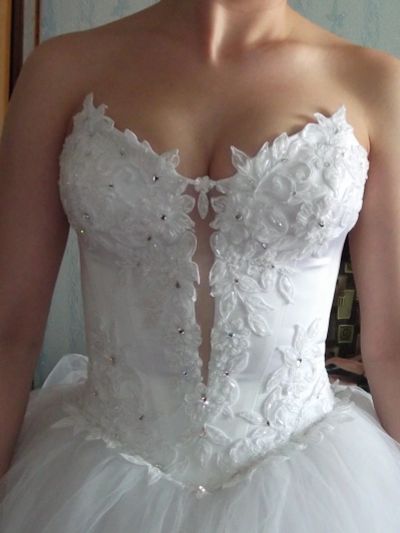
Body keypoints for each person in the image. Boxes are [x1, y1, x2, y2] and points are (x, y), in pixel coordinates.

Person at [1, 0, 400, 531]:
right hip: (94, 483)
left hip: (318, 488)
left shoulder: (374, 82)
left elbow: (391, 347)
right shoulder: (61, 71)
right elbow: (10, 332)